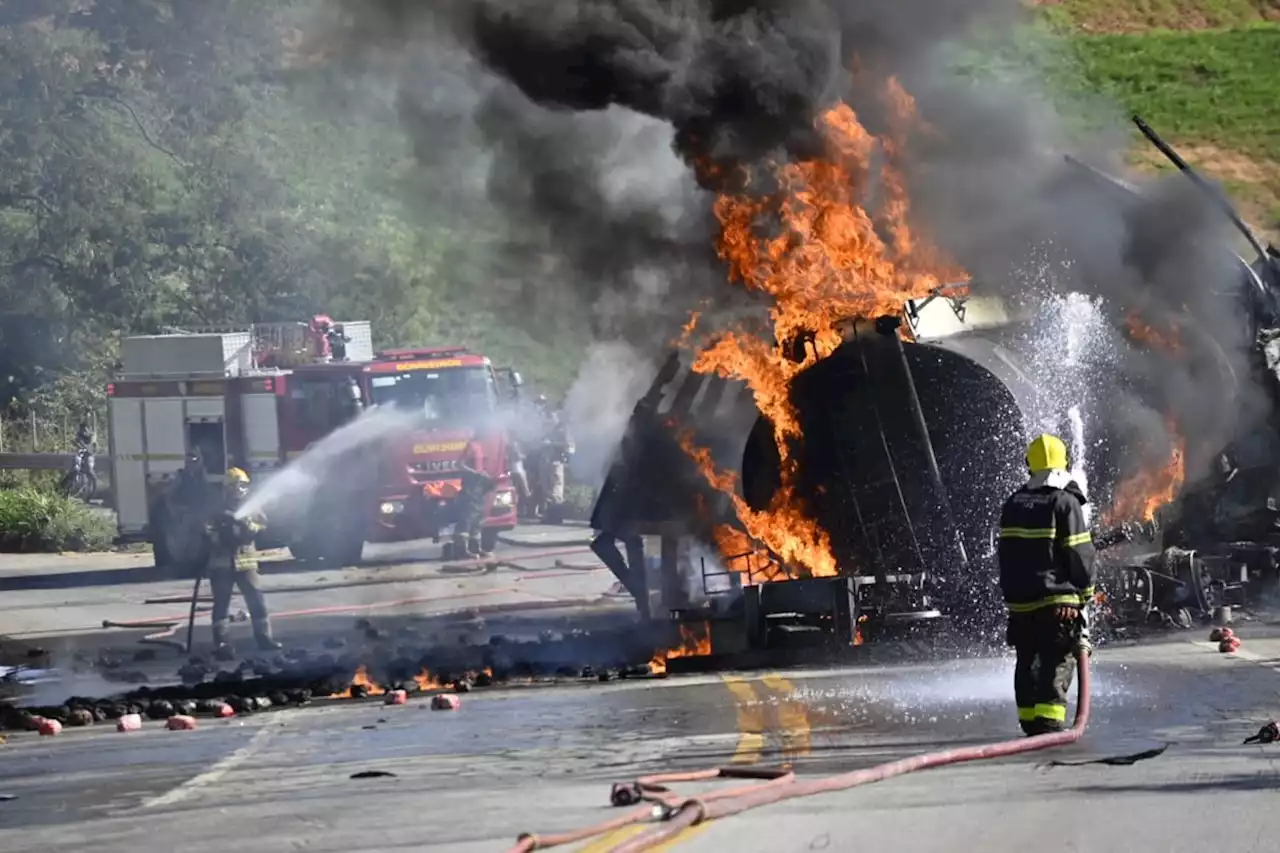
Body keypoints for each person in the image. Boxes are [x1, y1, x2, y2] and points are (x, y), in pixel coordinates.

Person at [997, 433, 1096, 736]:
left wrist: (1012, 598)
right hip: (1058, 604)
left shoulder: (1013, 503)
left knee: (1026, 659)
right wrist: (1085, 593)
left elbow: (1004, 556)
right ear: (1062, 463)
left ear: (1029, 464)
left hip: (1021, 603)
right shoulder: (1064, 502)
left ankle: (1029, 721)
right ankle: (1050, 722)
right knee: (1057, 658)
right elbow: (1079, 553)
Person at [206, 467, 280, 658]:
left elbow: (263, 525)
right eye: (235, 486)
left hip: (246, 562)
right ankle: (222, 643)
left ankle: (264, 638)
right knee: (221, 603)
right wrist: (220, 532)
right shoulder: (216, 509)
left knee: (256, 599)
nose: (238, 490)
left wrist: (247, 524)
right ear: (227, 488)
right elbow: (206, 531)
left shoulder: (252, 507)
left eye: (242, 485)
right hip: (222, 563)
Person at [454, 437, 494, 558]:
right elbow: (459, 464)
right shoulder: (470, 446)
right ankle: (463, 549)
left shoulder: (479, 445)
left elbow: (479, 467)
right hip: (470, 487)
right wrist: (475, 473)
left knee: (478, 517)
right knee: (468, 517)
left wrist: (484, 474)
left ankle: (476, 548)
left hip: (478, 486)